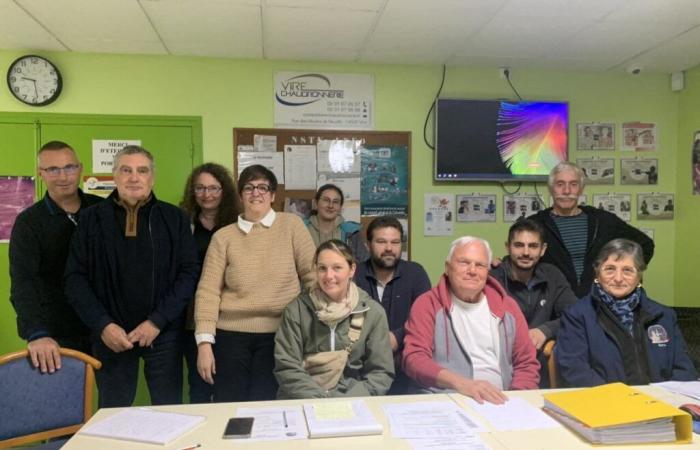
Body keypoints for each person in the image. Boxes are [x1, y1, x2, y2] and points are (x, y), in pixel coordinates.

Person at [65, 145, 200, 407]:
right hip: (111, 336)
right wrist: (102, 325)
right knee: (113, 413)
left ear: (152, 177)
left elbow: (189, 273)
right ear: (115, 176)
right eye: (126, 170)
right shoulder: (91, 219)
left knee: (169, 411)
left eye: (142, 170)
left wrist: (157, 321)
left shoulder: (175, 219)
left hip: (162, 334)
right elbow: (74, 278)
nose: (134, 177)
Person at [194, 164, 316, 402]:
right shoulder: (224, 237)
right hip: (230, 337)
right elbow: (208, 292)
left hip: (282, 335)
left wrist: (312, 332)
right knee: (229, 408)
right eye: (249, 187)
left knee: (270, 408)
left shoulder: (291, 226)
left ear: (272, 195)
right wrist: (204, 344)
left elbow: (313, 277)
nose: (255, 193)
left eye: (263, 187)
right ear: (240, 195)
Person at [403, 237, 539, 404]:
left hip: (501, 402)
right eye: (464, 262)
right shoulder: (427, 304)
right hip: (442, 400)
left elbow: (526, 362)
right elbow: (414, 359)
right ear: (447, 267)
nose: (472, 271)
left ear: (487, 271)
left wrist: (517, 400)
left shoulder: (508, 307)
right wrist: (461, 384)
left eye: (480, 265)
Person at [9, 141, 102, 374]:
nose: (63, 176)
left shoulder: (103, 211)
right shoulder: (29, 223)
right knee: (62, 407)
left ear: (80, 168)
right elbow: (23, 282)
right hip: (55, 336)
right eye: (53, 169)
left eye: (69, 167)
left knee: (114, 406)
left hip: (105, 328)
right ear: (40, 174)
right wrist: (37, 333)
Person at [556, 239, 697, 387]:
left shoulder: (664, 315)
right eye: (610, 269)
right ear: (597, 274)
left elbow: (684, 370)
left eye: (627, 270)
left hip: (661, 402)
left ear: (639, 277)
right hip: (606, 403)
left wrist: (667, 398)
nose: (618, 278)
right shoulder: (576, 315)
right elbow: (575, 371)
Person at [274, 239, 394, 398]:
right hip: (302, 398)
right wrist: (321, 401)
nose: (329, 276)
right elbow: (287, 367)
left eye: (337, 268)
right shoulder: (296, 311)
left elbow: (380, 372)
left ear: (352, 270)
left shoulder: (372, 313)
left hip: (354, 400)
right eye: (322, 268)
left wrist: (346, 402)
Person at [528, 161, 654, 297]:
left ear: (581, 189)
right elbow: (519, 259)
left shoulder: (603, 221)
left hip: (599, 304)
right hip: (553, 305)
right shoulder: (535, 224)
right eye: (560, 184)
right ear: (551, 189)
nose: (566, 191)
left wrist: (627, 276)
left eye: (573, 184)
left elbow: (645, 245)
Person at [179, 163, 241, 403]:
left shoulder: (237, 223)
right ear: (192, 192)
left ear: (224, 191)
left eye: (214, 188)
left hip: (227, 313)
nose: (207, 195)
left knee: (227, 382)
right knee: (199, 383)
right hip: (191, 313)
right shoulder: (183, 222)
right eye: (200, 188)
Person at [490, 219, 577, 387]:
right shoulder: (493, 278)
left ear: (543, 250)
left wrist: (546, 330)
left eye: (533, 246)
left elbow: (576, 315)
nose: (526, 252)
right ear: (508, 247)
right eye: (519, 245)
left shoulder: (552, 275)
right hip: (499, 362)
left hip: (541, 364)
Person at [353, 216, 430, 393]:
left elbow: (425, 319)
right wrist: (378, 342)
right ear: (368, 244)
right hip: (362, 368)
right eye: (381, 241)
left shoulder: (415, 273)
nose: (389, 248)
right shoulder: (355, 275)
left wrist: (397, 337)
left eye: (395, 242)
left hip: (406, 368)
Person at [304, 183, 369, 262]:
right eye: (326, 200)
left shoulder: (351, 232)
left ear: (340, 207)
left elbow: (365, 264)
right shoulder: (301, 228)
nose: (330, 205)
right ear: (316, 203)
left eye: (335, 202)